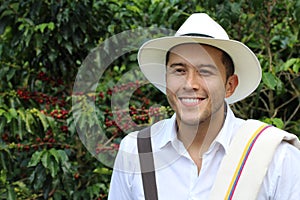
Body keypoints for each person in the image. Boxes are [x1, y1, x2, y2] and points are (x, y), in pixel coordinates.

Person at [108, 13, 300, 200]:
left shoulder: (276, 156)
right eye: (179, 70)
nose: (190, 83)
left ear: (230, 86)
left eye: (205, 71)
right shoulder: (136, 152)